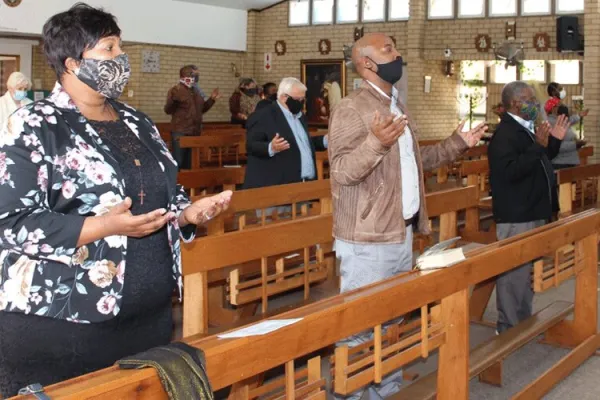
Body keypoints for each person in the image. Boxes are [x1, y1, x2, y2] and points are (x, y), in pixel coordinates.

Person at [0, 4, 231, 397]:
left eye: (120, 48)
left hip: (148, 314)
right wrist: (103, 226)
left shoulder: (136, 121)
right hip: (65, 319)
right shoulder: (34, 123)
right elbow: (11, 222)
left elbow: (166, 194)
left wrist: (188, 214)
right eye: (108, 49)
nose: (120, 58)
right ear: (72, 63)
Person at [328, 33, 486, 399]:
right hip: (367, 238)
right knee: (360, 326)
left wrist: (456, 144)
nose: (397, 55)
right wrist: (375, 143)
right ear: (366, 63)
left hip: (400, 232)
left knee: (394, 319)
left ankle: (387, 391)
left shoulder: (396, 104)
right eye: (388, 51)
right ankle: (352, 394)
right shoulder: (352, 108)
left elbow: (416, 164)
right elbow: (342, 171)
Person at [488, 81, 569, 335]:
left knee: (525, 275)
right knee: (513, 275)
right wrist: (538, 147)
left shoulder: (525, 129)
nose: (536, 104)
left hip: (532, 210)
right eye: (530, 100)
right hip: (516, 213)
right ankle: (508, 328)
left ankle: (522, 323)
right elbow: (511, 172)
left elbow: (539, 160)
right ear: (514, 104)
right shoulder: (504, 135)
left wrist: (552, 142)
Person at [244, 77, 327, 190]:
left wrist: (325, 141)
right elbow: (251, 146)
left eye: (303, 99)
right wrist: (270, 147)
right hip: (276, 188)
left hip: (304, 185)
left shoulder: (299, 116)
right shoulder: (263, 116)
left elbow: (299, 143)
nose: (301, 103)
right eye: (298, 99)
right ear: (284, 97)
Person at [164, 64, 220, 169]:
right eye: (195, 74)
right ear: (187, 75)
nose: (197, 77)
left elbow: (201, 110)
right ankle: (177, 184)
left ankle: (189, 185)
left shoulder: (196, 91)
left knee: (191, 163)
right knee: (178, 162)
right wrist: (173, 101)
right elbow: (168, 110)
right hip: (181, 131)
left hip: (194, 131)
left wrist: (212, 99)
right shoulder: (176, 90)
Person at [548, 104, 585, 169]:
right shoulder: (551, 123)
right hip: (560, 162)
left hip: (569, 161)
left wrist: (578, 116)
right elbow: (556, 146)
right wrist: (575, 144)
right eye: (556, 106)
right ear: (553, 110)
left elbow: (570, 120)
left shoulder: (562, 120)